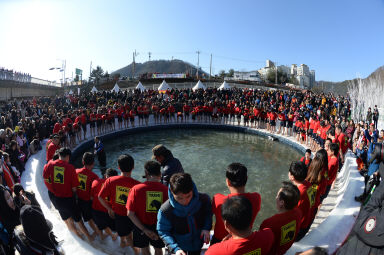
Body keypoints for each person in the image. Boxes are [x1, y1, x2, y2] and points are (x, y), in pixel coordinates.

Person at [43, 147, 94, 242]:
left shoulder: (49, 165)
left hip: (56, 199)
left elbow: (45, 178)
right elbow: (74, 188)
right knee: (78, 220)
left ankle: (78, 236)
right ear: (67, 157)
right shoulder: (70, 168)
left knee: (67, 219)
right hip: (68, 199)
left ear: (59, 155)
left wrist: (53, 190)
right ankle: (89, 237)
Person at [157, 173, 212, 255]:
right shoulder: (165, 210)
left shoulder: (204, 200)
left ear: (192, 189)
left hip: (198, 245)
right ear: (172, 192)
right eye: (179, 198)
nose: (185, 201)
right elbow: (163, 231)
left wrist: (206, 228)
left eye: (188, 196)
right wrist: (175, 249)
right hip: (179, 248)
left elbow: (208, 214)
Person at [211, 162, 261, 244]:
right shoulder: (256, 198)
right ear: (246, 179)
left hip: (220, 239)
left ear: (228, 182)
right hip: (243, 238)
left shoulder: (218, 199)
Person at [205, 196, 274, 255]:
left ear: (226, 224)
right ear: (251, 216)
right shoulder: (268, 235)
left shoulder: (214, 251)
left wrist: (222, 245)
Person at [126, 160, 168, 255]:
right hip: (159, 226)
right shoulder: (166, 190)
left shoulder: (136, 189)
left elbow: (130, 213)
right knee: (158, 249)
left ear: (146, 173)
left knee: (144, 248)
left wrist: (144, 229)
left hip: (141, 226)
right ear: (160, 174)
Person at [98, 154, 140, 248]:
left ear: (119, 167)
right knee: (130, 235)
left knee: (122, 232)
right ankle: (134, 250)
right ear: (133, 167)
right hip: (133, 216)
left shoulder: (110, 181)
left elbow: (100, 197)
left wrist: (109, 209)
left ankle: (122, 243)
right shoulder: (138, 185)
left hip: (118, 215)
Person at [259, 182, 302, 255]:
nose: (276, 197)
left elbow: (261, 243)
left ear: (282, 202)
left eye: (277, 196)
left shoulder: (269, 223)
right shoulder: (298, 213)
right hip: (284, 249)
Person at [75, 152, 101, 239]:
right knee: (93, 219)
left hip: (80, 200)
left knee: (87, 219)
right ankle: (99, 232)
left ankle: (96, 231)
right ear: (93, 163)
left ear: (83, 162)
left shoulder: (76, 171)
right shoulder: (94, 176)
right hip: (89, 202)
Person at [90, 168, 118, 241]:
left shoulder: (96, 182)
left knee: (100, 225)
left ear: (105, 176)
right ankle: (114, 236)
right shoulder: (117, 188)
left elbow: (91, 197)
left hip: (96, 210)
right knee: (116, 227)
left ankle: (102, 236)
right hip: (108, 212)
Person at [288, 161, 312, 240]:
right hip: (307, 220)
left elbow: (291, 213)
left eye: (289, 172)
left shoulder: (297, 193)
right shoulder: (308, 184)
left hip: (299, 226)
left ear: (292, 177)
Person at [0, 184, 20, 254]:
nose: (12, 200)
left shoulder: (19, 209)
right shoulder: (5, 229)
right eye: (8, 199)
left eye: (10, 196)